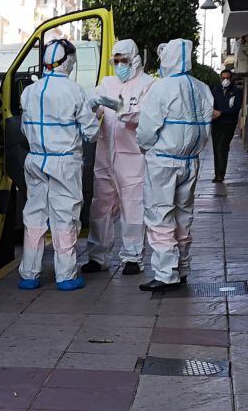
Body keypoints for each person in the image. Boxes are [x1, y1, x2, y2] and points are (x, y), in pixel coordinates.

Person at [18, 39, 101, 291]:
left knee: (34, 216)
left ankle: (29, 275)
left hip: (35, 160)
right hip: (64, 162)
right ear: (67, 62)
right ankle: (65, 275)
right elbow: (91, 132)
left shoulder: (29, 91)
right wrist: (97, 115)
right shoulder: (74, 91)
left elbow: (24, 127)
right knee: (64, 216)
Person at [135, 39, 214, 292]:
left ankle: (165, 273)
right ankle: (182, 268)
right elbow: (204, 127)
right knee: (183, 216)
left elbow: (147, 129)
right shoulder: (201, 88)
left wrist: (145, 146)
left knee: (159, 215)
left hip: (163, 161)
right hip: (190, 162)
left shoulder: (161, 88)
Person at [82, 39, 155, 276]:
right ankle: (97, 256)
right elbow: (92, 110)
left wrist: (122, 109)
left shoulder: (148, 84)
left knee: (132, 207)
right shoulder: (107, 83)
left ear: (134, 59)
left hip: (132, 157)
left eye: (124, 60)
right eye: (116, 60)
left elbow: (147, 117)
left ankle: (133, 257)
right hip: (105, 156)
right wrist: (92, 105)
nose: (119, 64)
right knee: (100, 206)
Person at [210, 69, 241, 182]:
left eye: (227, 78)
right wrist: (213, 113)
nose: (225, 80)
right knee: (216, 148)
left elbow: (236, 108)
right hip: (217, 123)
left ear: (231, 78)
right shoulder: (216, 90)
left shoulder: (236, 91)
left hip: (229, 123)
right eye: (223, 78)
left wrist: (221, 113)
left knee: (222, 147)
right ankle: (217, 173)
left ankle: (220, 175)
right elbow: (210, 103)